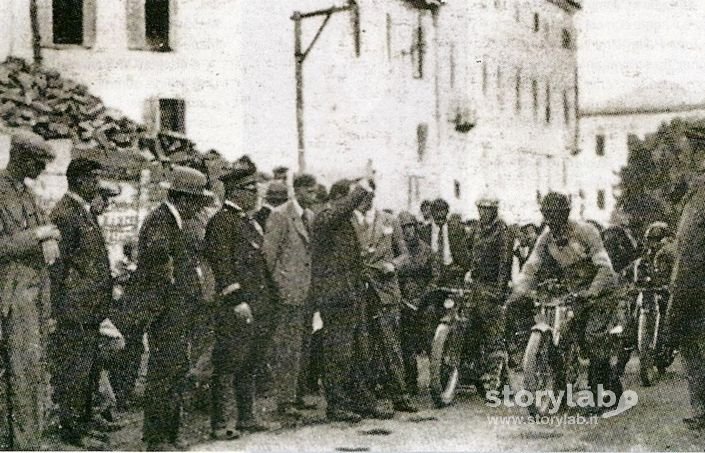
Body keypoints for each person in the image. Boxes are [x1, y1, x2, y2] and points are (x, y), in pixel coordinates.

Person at [505, 192, 622, 411]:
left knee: (593, 337)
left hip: (601, 293)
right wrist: (519, 291)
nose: (552, 222)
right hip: (575, 294)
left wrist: (592, 291)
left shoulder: (586, 231)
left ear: (565, 214)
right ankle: (561, 393)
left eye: (556, 216)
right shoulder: (546, 238)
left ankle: (599, 397)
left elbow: (606, 268)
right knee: (564, 338)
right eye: (547, 217)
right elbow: (531, 267)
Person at [135, 165, 213, 450]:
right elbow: (158, 266)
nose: (198, 209)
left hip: (178, 311)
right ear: (184, 199)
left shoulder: (172, 220)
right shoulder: (160, 221)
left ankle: (169, 432)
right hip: (168, 313)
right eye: (197, 202)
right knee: (163, 374)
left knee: (176, 371)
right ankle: (156, 439)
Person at [204, 156, 279, 440]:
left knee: (250, 362)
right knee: (227, 363)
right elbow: (222, 265)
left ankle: (246, 417)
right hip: (236, 307)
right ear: (237, 192)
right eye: (251, 191)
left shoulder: (247, 223)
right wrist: (237, 301)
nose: (256, 196)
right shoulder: (222, 222)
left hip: (258, 305)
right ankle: (221, 423)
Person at [49, 158, 114, 447]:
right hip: (74, 309)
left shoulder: (81, 212)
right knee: (74, 372)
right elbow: (58, 267)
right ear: (80, 180)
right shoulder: (65, 213)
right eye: (94, 180)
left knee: (86, 368)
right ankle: (73, 431)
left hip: (88, 308)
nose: (97, 186)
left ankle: (85, 422)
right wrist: (56, 308)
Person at [0, 131, 58, 450]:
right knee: (21, 371)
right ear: (20, 157)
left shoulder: (27, 192)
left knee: (34, 370)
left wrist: (49, 236)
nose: (42, 169)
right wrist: (37, 234)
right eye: (38, 162)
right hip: (13, 296)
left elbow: (48, 227)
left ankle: (30, 440)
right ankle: (23, 444)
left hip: (35, 293)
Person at [310, 177, 384, 423]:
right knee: (338, 355)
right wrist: (361, 187)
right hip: (335, 298)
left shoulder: (343, 222)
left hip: (352, 296)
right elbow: (341, 211)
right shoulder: (324, 218)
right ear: (340, 198)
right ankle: (337, 406)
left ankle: (362, 401)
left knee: (359, 354)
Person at [353, 186, 417, 414]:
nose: (365, 200)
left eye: (369, 196)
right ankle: (369, 398)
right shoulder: (348, 221)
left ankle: (400, 395)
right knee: (363, 347)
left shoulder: (389, 220)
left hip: (386, 290)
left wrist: (393, 265)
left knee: (391, 345)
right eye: (361, 196)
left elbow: (405, 255)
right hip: (360, 291)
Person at [263, 173, 319, 418]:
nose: (314, 196)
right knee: (286, 347)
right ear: (297, 190)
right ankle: (284, 400)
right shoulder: (280, 215)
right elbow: (268, 257)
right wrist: (278, 287)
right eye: (310, 191)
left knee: (303, 346)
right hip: (287, 292)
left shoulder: (310, 216)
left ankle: (296, 394)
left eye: (315, 192)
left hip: (307, 293)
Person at [665, 175, 705, 430]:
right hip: (689, 285)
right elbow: (684, 248)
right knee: (691, 347)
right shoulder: (693, 201)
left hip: (694, 285)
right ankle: (701, 409)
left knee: (693, 346)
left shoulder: (698, 201)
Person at [466, 195, 513, 395]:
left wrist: (499, 291)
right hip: (476, 286)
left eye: (487, 209)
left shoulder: (502, 230)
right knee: (474, 332)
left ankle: (496, 382)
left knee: (494, 336)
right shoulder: (476, 228)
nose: (483, 212)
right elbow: (470, 253)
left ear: (494, 210)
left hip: (492, 287)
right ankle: (482, 376)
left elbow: (505, 262)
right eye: (481, 209)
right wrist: (470, 272)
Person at [395, 211, 436, 394]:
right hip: (403, 303)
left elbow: (435, 279)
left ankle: (438, 380)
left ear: (416, 228)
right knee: (406, 343)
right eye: (403, 228)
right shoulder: (397, 252)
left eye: (410, 227)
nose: (407, 232)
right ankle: (411, 382)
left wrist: (422, 298)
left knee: (429, 340)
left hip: (424, 303)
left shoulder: (427, 251)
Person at [421, 198, 470, 286]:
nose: (440, 215)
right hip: (431, 275)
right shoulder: (424, 232)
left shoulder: (456, 230)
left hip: (452, 275)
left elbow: (463, 257)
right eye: (437, 212)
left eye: (442, 212)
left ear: (447, 213)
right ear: (432, 213)